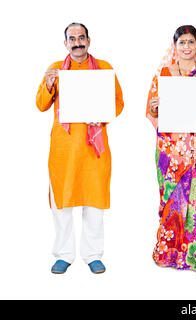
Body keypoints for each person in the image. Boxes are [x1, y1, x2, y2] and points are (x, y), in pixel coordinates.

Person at [36, 22, 124, 274]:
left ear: (89, 40)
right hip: (64, 151)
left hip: (94, 150)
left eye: (81, 37)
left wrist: (103, 116)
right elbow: (41, 104)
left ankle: (93, 255)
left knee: (94, 203)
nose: (77, 42)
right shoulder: (55, 69)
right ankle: (64, 254)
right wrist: (48, 84)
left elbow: (118, 103)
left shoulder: (104, 69)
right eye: (72, 39)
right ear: (65, 44)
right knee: (62, 204)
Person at [146, 25, 196, 273]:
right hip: (170, 150)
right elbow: (150, 112)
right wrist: (156, 107)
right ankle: (169, 253)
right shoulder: (163, 75)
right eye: (182, 42)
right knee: (171, 200)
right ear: (175, 46)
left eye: (191, 42)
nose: (187, 47)